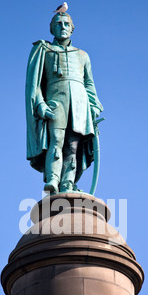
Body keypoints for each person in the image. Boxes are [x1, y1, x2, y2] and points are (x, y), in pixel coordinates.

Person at [25, 12, 103, 193]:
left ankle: (68, 182)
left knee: (73, 146)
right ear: (52, 28)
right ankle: (53, 179)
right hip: (56, 101)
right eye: (58, 24)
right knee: (57, 140)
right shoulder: (44, 50)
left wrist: (93, 105)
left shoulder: (82, 55)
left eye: (66, 24)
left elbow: (89, 83)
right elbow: (34, 83)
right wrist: (40, 104)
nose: (63, 27)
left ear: (72, 29)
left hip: (79, 104)